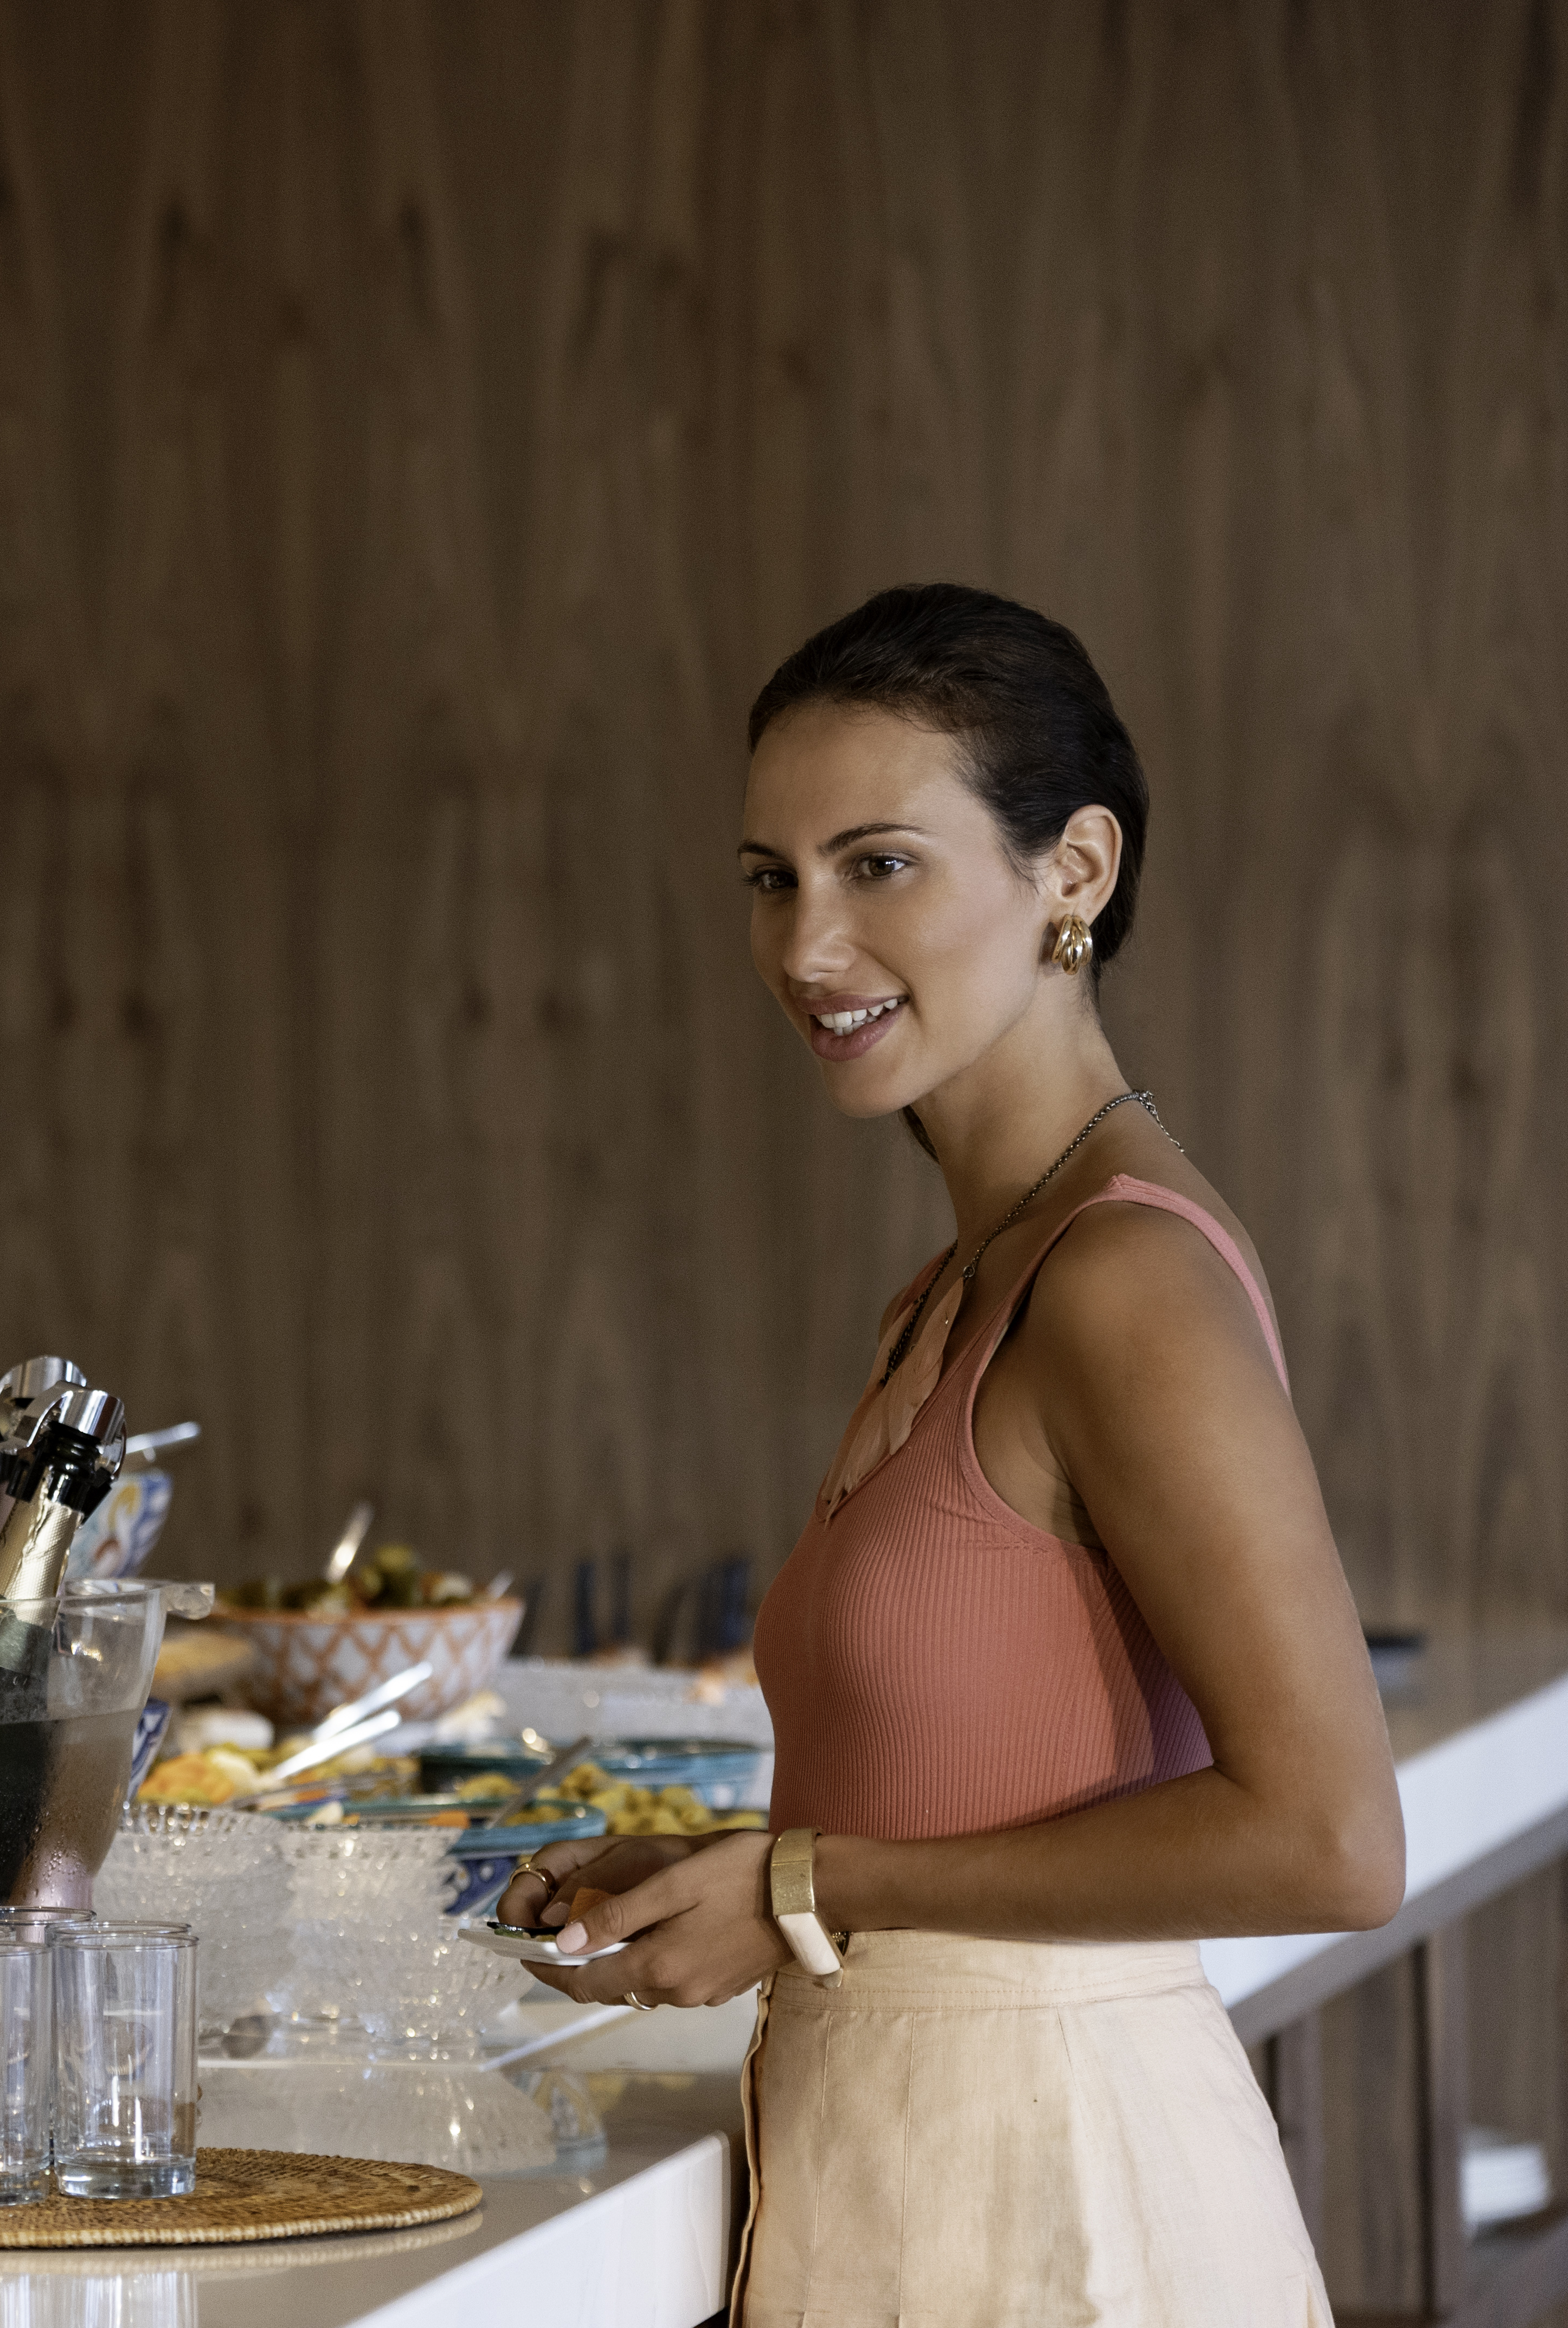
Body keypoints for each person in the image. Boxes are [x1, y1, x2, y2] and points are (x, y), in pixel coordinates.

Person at [500, 585, 1401, 2325]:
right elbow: (973, 1775)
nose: (810, 947)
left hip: (1059, 2209)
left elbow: (1332, 1841)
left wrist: (809, 1886)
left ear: (1075, 872)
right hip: (917, 2180)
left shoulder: (1120, 1278)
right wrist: (742, 1872)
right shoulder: (966, 1279)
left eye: (880, 866)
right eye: (773, 877)